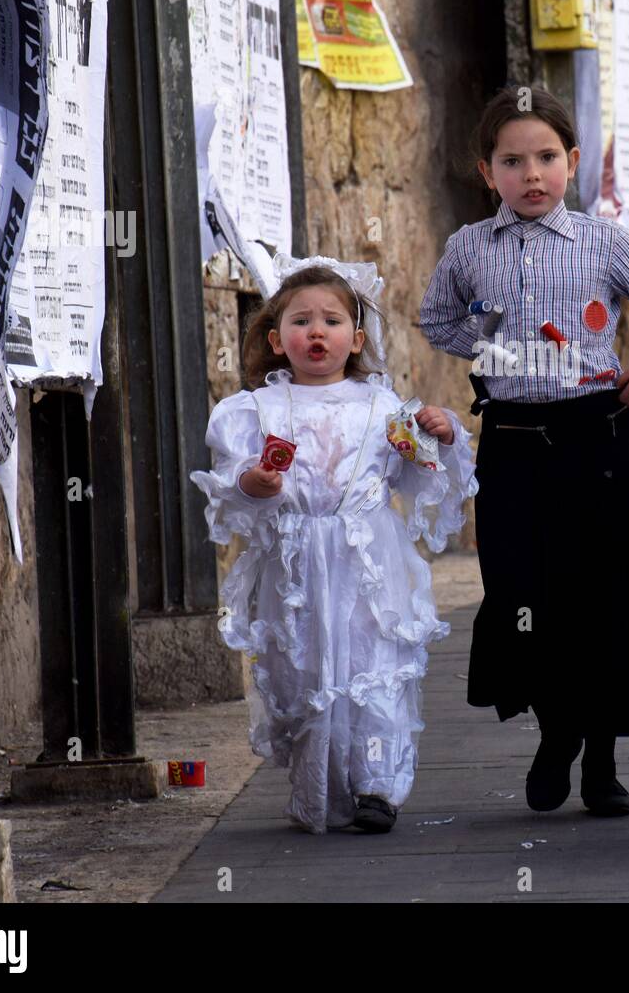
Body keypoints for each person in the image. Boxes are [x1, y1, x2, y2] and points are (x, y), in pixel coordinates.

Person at [419, 85, 629, 816]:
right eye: (512, 161)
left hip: (598, 437)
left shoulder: (605, 242)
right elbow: (436, 318)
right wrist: (488, 340)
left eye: (546, 157)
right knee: (524, 595)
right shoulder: (468, 248)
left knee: (602, 594)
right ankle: (556, 735)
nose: (532, 174)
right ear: (488, 173)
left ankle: (603, 762)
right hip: (511, 446)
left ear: (573, 162)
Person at [190, 255, 477, 834]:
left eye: (331, 321)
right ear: (276, 338)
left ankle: (377, 786)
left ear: (356, 338)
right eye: (300, 322)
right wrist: (255, 481)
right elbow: (230, 487)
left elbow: (416, 474)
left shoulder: (382, 408)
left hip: (366, 559)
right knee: (302, 669)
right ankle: (315, 783)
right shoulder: (256, 410)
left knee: (372, 663)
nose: (316, 332)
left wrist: (439, 434)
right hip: (295, 561)